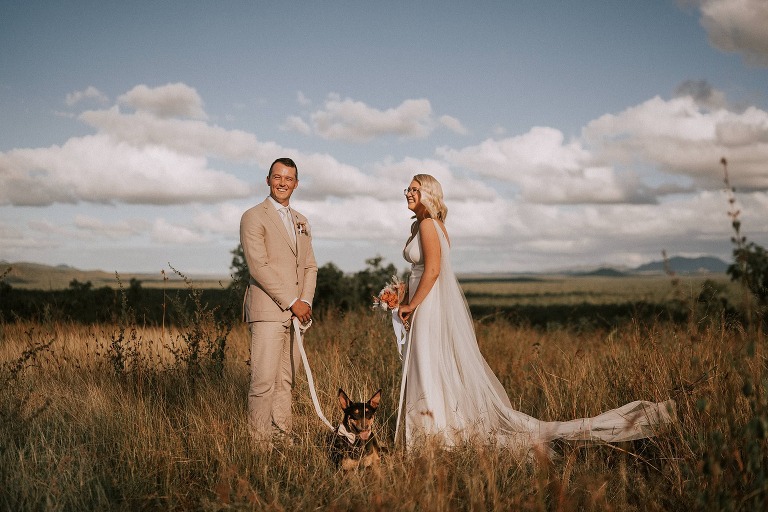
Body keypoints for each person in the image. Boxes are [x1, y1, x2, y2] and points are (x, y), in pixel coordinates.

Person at [396, 174, 674, 455]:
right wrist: (401, 293)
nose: (408, 193)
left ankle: (431, 435)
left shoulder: (429, 224)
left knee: (427, 364)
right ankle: (433, 429)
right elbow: (422, 273)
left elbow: (432, 271)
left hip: (428, 306)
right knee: (429, 365)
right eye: (408, 188)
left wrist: (411, 304)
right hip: (426, 302)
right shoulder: (429, 226)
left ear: (430, 193)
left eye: (415, 189)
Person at [240, 157, 317, 445]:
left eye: (288, 178)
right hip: (267, 311)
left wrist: (305, 302)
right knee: (263, 382)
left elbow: (310, 266)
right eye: (277, 177)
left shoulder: (302, 221)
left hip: (297, 314)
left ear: (296, 183)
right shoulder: (253, 216)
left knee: (287, 380)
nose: (282, 183)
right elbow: (258, 266)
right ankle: (260, 445)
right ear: (268, 179)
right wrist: (291, 301)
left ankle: (283, 438)